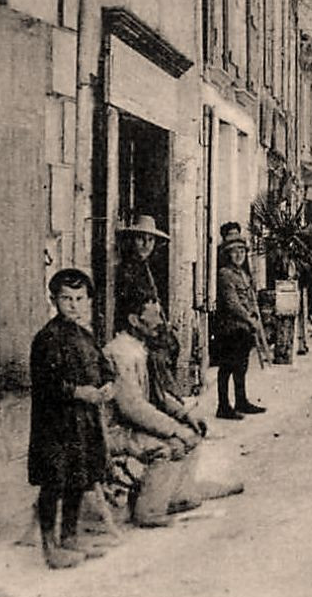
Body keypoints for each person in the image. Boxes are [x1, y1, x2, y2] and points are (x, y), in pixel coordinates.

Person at [28, 269, 114, 569]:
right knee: (54, 482)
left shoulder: (85, 336)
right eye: (66, 299)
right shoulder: (47, 338)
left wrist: (107, 384)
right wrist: (80, 392)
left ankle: (70, 537)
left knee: (79, 479)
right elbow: (46, 384)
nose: (74, 305)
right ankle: (50, 547)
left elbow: (105, 367)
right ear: (53, 300)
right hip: (56, 423)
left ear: (88, 300)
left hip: (84, 422)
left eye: (80, 299)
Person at [104, 294, 207, 527]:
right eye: (154, 316)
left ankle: (177, 495)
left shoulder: (139, 348)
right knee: (168, 446)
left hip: (133, 424)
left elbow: (158, 396)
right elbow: (133, 408)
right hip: (114, 429)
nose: (161, 322)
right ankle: (148, 511)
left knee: (191, 432)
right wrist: (174, 430)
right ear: (134, 320)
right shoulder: (120, 353)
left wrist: (184, 416)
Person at [113, 213, 182, 403]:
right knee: (157, 355)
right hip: (135, 326)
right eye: (140, 238)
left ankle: (167, 398)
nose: (146, 244)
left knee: (171, 344)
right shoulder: (128, 269)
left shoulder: (145, 266)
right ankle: (160, 399)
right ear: (132, 241)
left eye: (150, 239)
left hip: (148, 323)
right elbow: (131, 305)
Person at [211, 223, 268, 420]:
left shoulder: (243, 274)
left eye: (242, 251)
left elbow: (250, 299)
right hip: (230, 328)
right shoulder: (225, 274)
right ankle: (223, 406)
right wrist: (249, 319)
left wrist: (254, 317)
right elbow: (232, 303)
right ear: (228, 253)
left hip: (244, 327)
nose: (239, 255)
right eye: (234, 252)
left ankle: (241, 401)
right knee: (227, 366)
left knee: (241, 366)